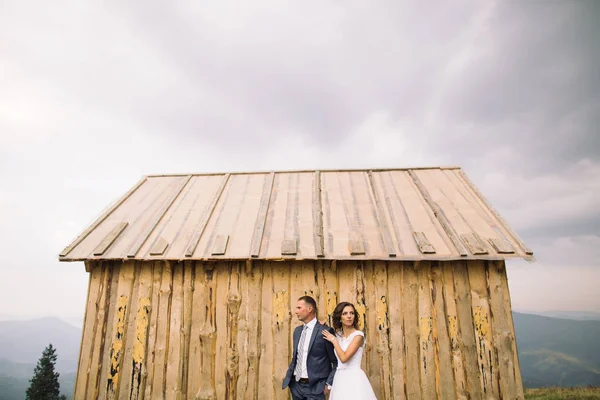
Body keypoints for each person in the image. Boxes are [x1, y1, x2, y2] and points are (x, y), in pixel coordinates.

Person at [283, 295, 338, 400]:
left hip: (316, 388)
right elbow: (296, 357)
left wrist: (328, 384)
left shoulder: (325, 331)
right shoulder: (297, 331)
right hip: (296, 387)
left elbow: (335, 361)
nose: (296, 311)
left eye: (299, 308)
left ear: (310, 309)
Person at [321, 302, 377, 400]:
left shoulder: (358, 336)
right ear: (339, 317)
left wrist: (334, 340)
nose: (349, 316)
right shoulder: (337, 335)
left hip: (354, 379)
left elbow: (344, 358)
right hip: (339, 379)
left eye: (352, 313)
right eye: (345, 313)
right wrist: (321, 327)